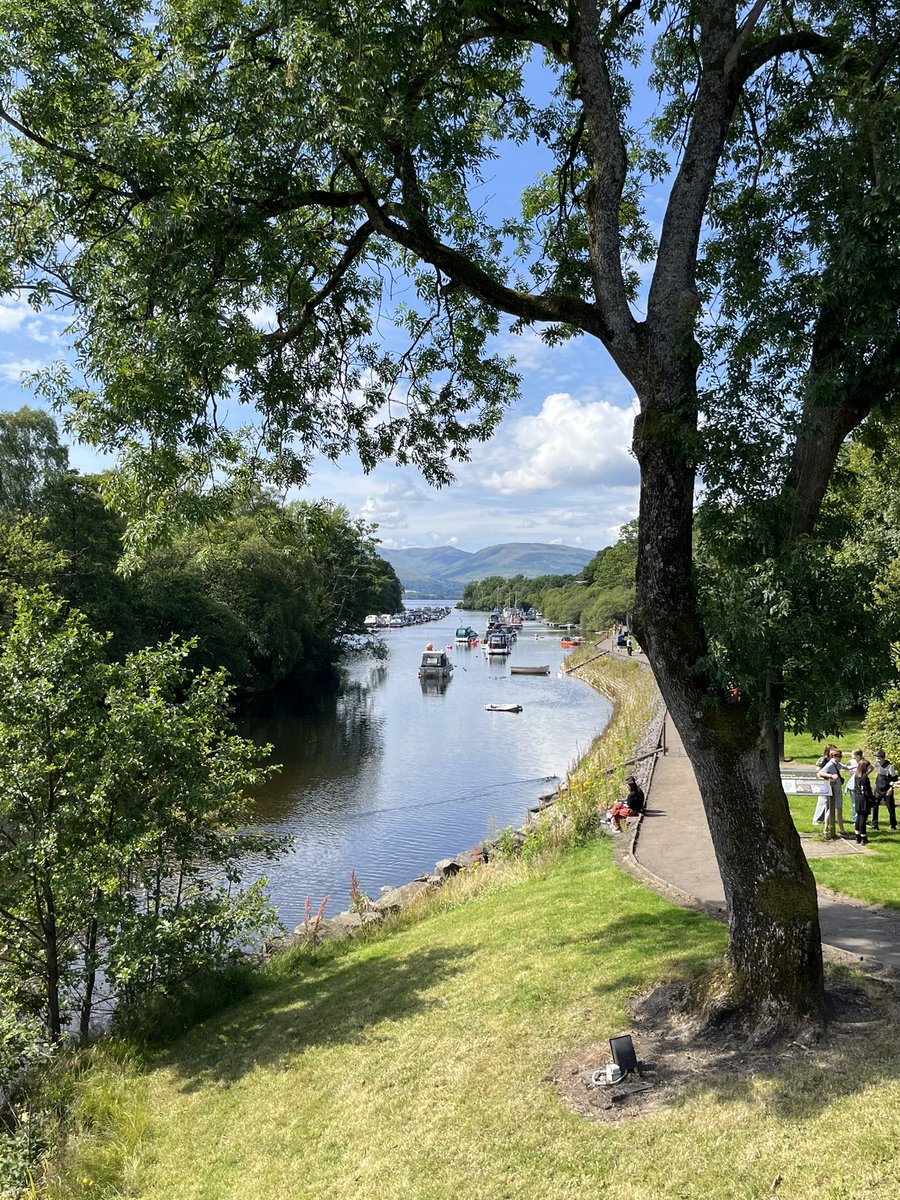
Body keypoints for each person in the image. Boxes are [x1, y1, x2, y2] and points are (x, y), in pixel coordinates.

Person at [816, 748, 849, 836]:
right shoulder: (830, 764)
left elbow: (845, 767)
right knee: (837, 810)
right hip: (834, 790)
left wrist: (857, 766)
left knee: (833, 809)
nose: (840, 758)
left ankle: (827, 829)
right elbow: (820, 773)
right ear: (833, 756)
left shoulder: (837, 764)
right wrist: (831, 775)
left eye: (841, 756)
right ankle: (839, 830)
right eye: (839, 756)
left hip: (837, 789)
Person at [872, 749, 898, 831]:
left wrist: (891, 789)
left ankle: (893, 825)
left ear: (883, 758)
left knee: (890, 808)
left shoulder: (890, 767)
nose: (877, 760)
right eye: (876, 758)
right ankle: (874, 824)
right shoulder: (877, 765)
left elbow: (895, 779)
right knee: (875, 807)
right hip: (878, 789)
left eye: (879, 758)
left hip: (887, 790)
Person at [853, 757, 874, 844]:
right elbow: (866, 790)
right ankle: (863, 837)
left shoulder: (856, 776)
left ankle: (857, 836)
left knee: (858, 817)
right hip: (864, 799)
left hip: (858, 797)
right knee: (863, 818)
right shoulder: (864, 777)